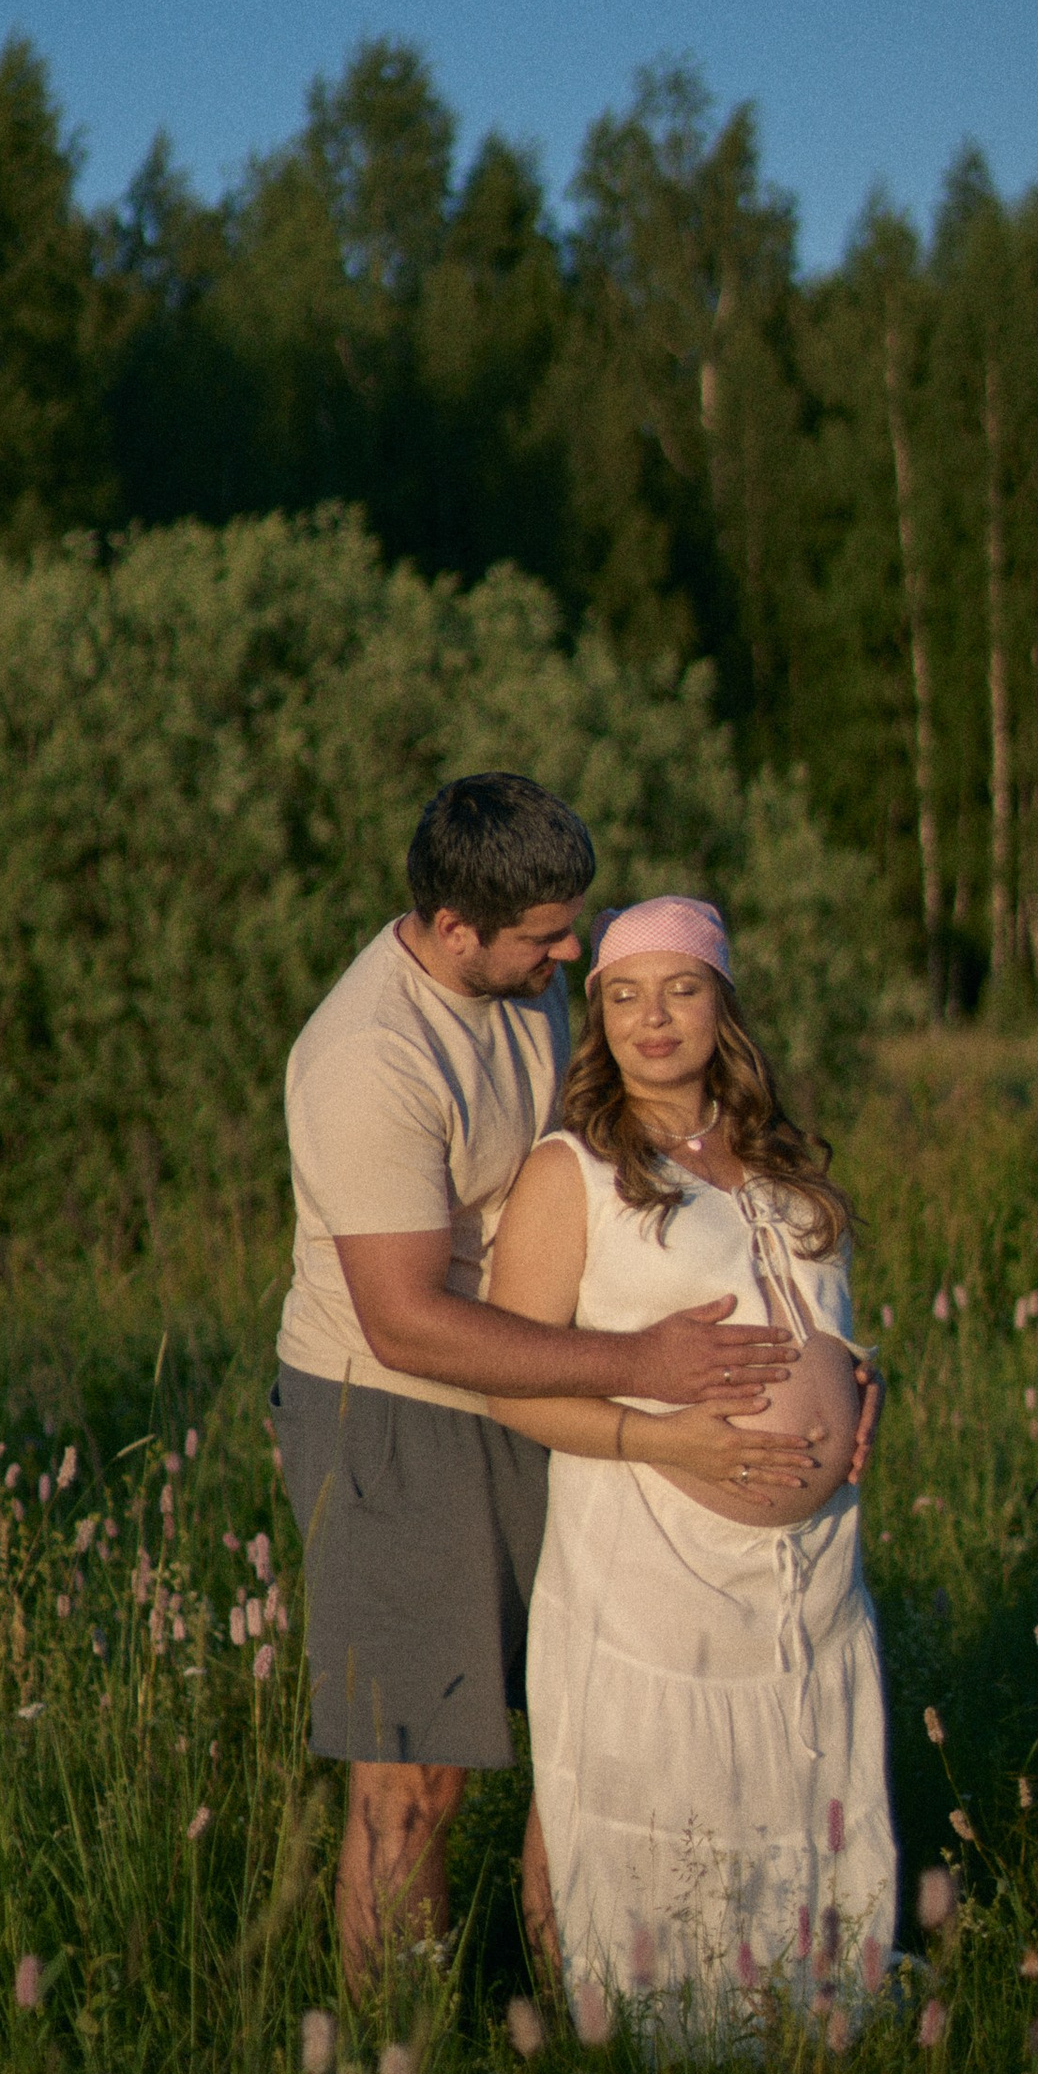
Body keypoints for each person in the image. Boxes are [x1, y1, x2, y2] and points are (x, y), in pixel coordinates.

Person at [272, 780, 816, 1988]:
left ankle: (593, 2013)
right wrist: (636, 1365)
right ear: (454, 928)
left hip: (537, 1377)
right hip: (396, 1415)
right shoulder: (369, 1057)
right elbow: (406, 1324)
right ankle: (396, 2047)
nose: (571, 953)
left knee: (585, 1723)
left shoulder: (520, 981)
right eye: (545, 936)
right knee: (416, 1772)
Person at [484, 896, 896, 2014]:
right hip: (654, 1547)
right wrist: (666, 1438)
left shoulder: (776, 1160)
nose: (652, 1019)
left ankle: (803, 2017)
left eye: (679, 990)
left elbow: (829, 1325)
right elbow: (509, 1382)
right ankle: (635, 2047)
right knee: (648, 1796)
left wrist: (863, 1390)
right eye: (623, 996)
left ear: (723, 1004)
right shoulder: (572, 1171)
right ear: (599, 1017)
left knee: (793, 1792)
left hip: (808, 1569)